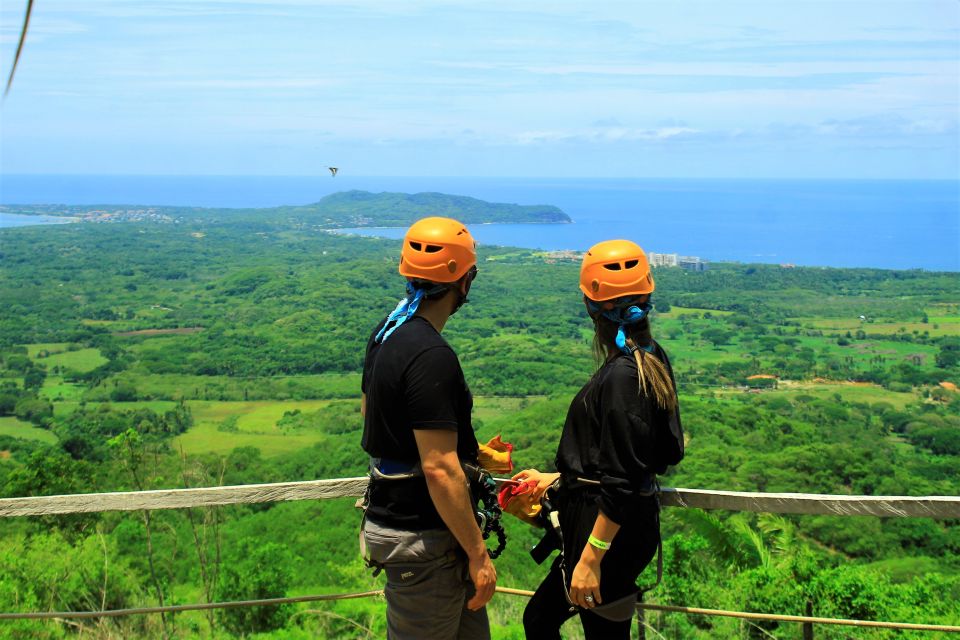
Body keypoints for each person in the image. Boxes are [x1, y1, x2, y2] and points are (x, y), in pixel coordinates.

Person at [513, 239, 684, 640]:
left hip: (606, 538)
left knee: (546, 623)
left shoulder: (625, 375)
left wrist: (590, 559)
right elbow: (629, 455)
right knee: (541, 620)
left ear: (593, 308)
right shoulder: (648, 357)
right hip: (616, 531)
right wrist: (558, 478)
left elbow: (623, 478)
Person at [360, 216, 496, 640]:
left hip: (414, 530)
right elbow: (438, 468)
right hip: (424, 539)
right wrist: (478, 555)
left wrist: (470, 456)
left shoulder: (387, 333)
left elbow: (373, 417)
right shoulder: (431, 355)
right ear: (463, 281)